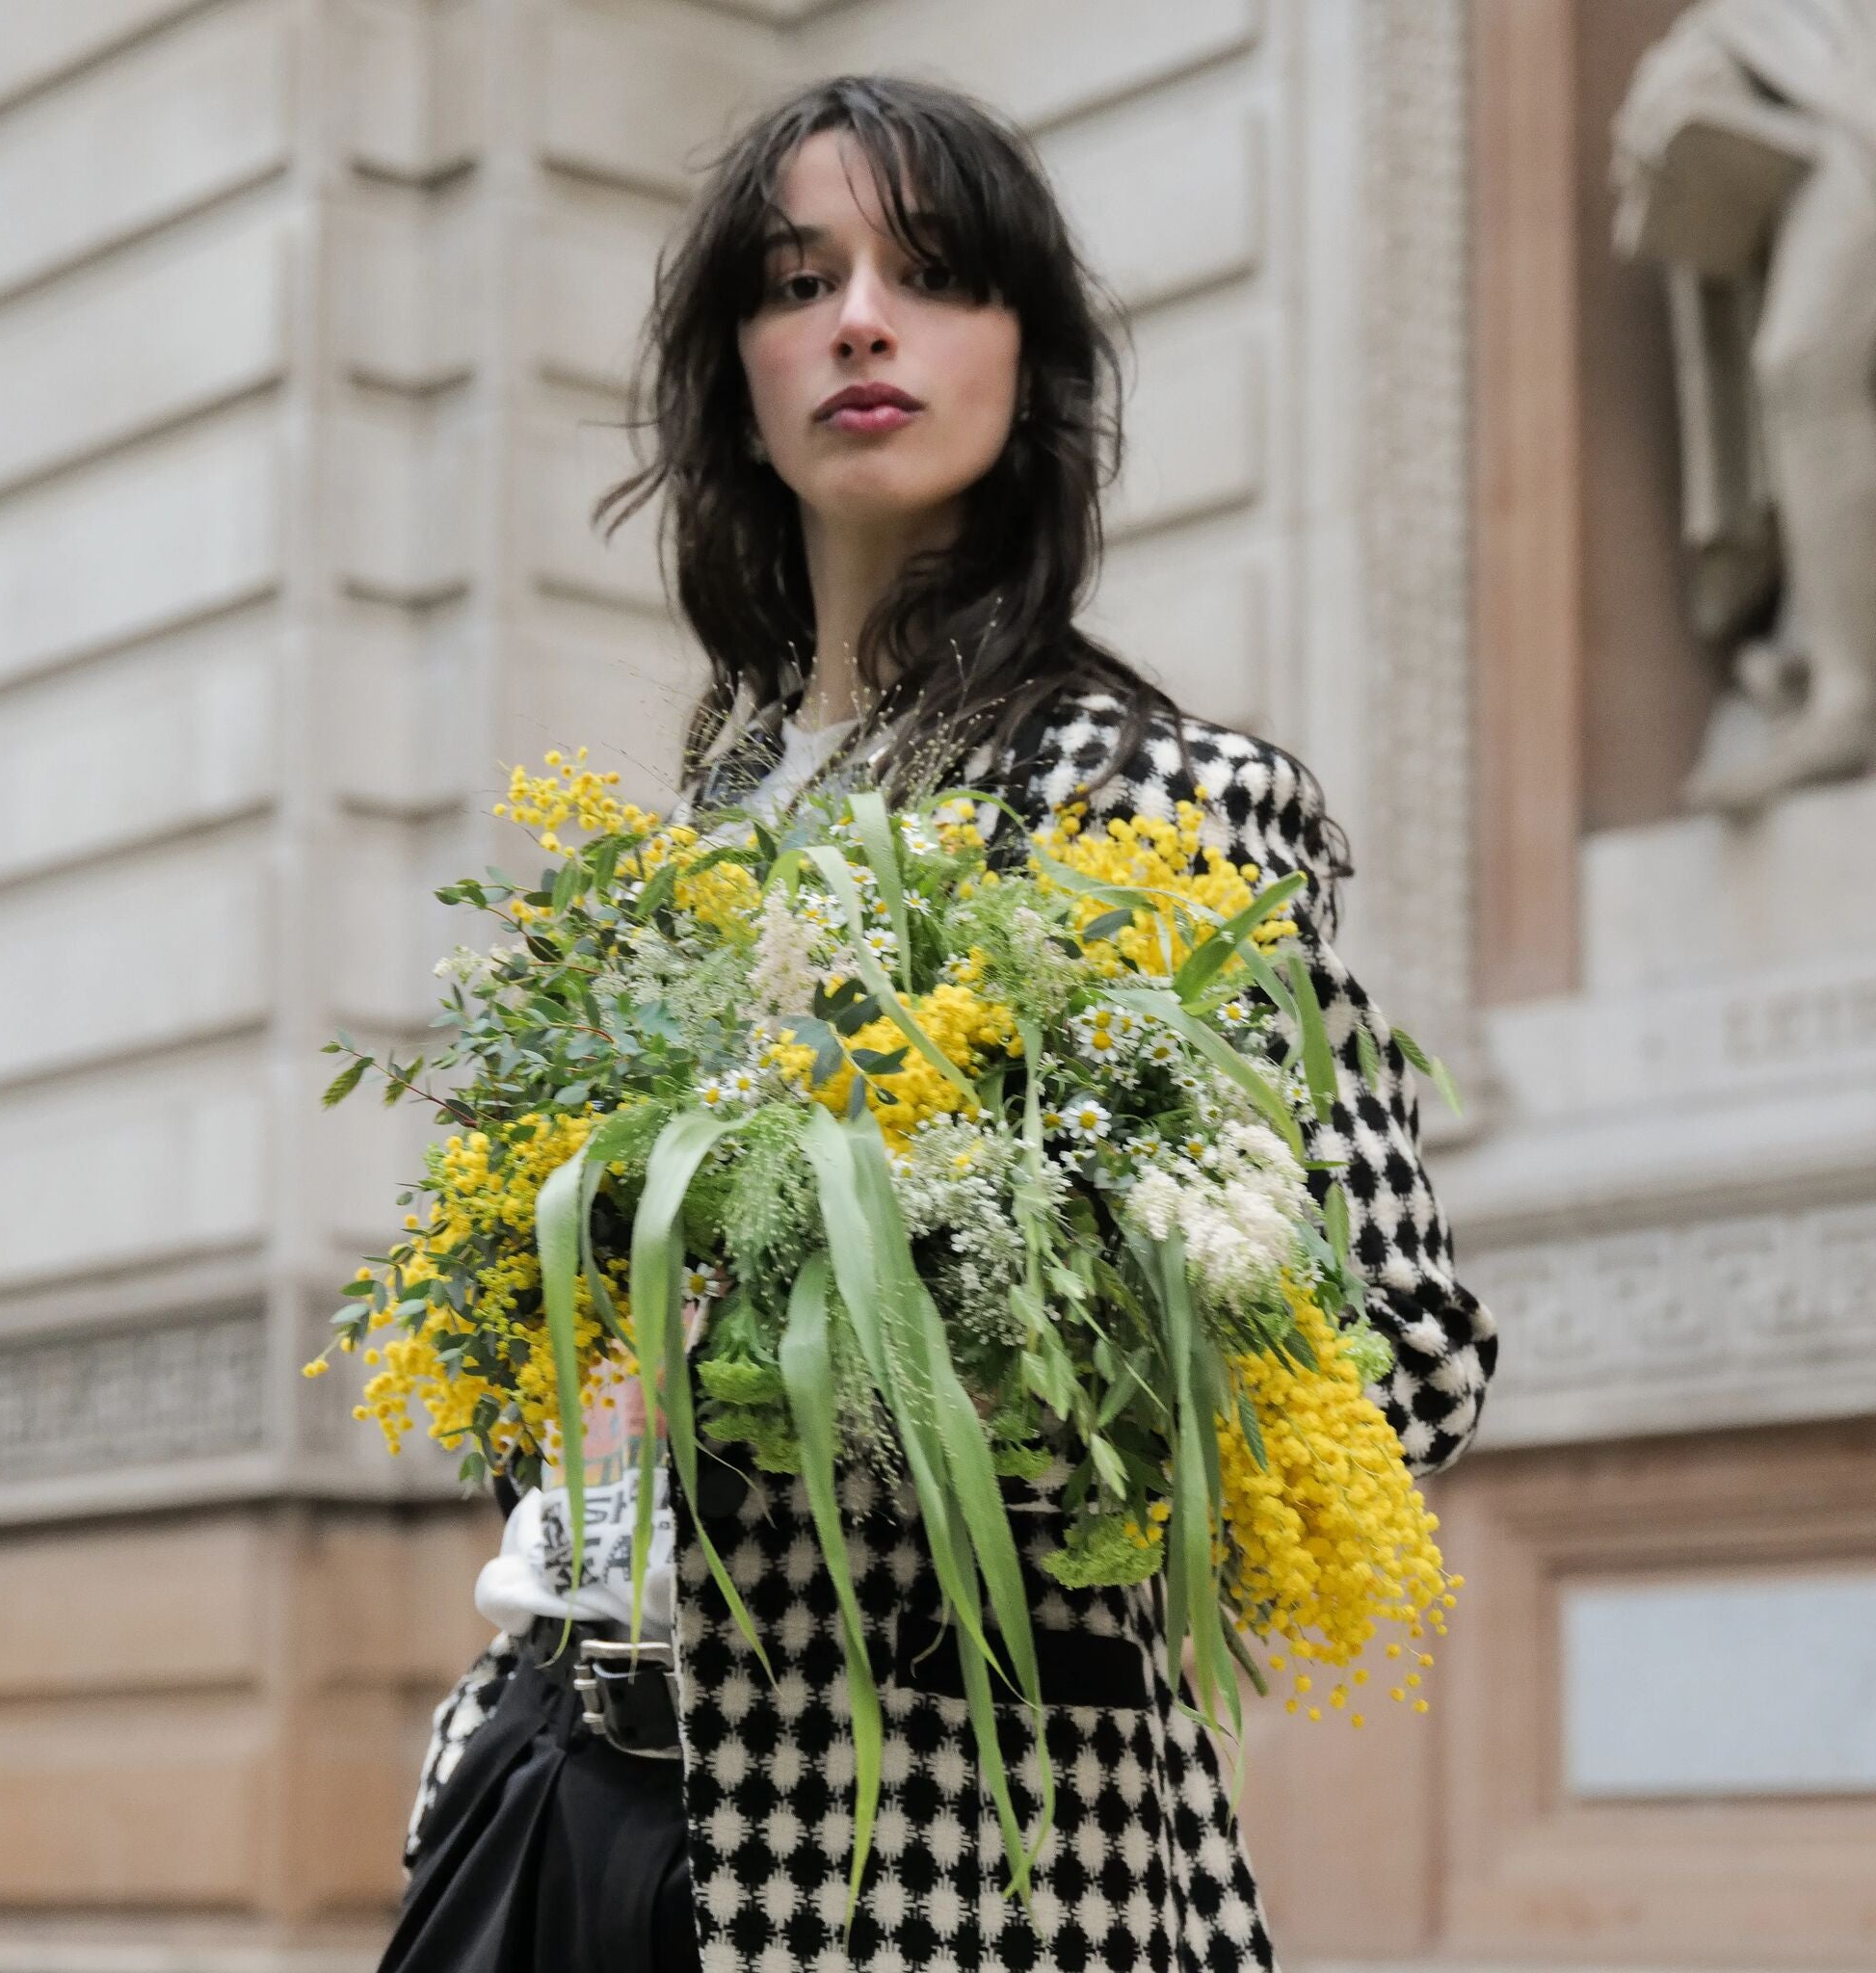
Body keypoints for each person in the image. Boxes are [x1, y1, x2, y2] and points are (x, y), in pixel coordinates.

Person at [383, 72, 1497, 1973]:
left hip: (968, 1860)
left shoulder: (1169, 803)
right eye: (796, 279)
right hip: (584, 1814)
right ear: (733, 370)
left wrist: (957, 1336)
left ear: (1028, 362)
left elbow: (1406, 1360)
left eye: (932, 273)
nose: (860, 321)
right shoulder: (682, 839)